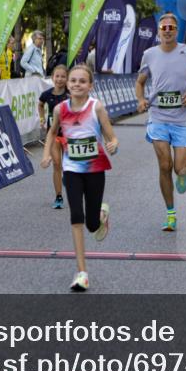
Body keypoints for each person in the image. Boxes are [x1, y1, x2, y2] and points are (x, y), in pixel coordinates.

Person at [40, 64, 118, 292]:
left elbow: (111, 136)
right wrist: (46, 154)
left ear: (90, 86)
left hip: (95, 170)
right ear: (67, 84)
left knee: (92, 224)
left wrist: (113, 144)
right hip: (72, 169)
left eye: (82, 81)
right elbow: (52, 132)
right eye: (73, 80)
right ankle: (82, 272)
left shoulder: (97, 108)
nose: (76, 84)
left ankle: (101, 214)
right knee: (76, 216)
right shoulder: (60, 109)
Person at [136, 13, 186, 232]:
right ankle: (170, 214)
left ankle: (183, 173)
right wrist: (140, 99)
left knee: (180, 169)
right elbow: (140, 82)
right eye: (164, 27)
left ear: (176, 31)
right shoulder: (149, 54)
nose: (167, 30)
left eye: (171, 27)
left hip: (182, 119)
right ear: (159, 32)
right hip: (158, 117)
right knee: (165, 165)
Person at [39, 65, 69, 209]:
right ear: (52, 78)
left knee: (69, 166)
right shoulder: (46, 94)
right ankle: (58, 196)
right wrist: (42, 118)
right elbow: (40, 104)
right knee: (57, 164)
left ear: (67, 78)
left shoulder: (70, 94)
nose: (60, 79)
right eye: (57, 76)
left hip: (69, 136)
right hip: (54, 134)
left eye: (63, 76)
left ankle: (67, 176)